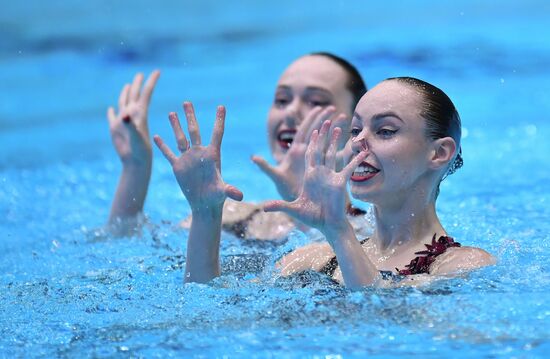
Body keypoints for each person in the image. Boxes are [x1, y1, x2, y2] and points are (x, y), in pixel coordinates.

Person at [157, 77, 494, 287]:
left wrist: (339, 231)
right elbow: (213, 308)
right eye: (356, 130)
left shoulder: (463, 266)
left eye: (385, 131)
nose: (359, 142)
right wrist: (205, 214)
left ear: (439, 153)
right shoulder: (312, 258)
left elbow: (385, 316)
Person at [106, 53, 369, 239]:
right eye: (281, 100)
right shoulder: (236, 216)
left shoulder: (369, 232)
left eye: (315, 102)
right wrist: (135, 169)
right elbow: (123, 243)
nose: (291, 112)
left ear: (354, 128)